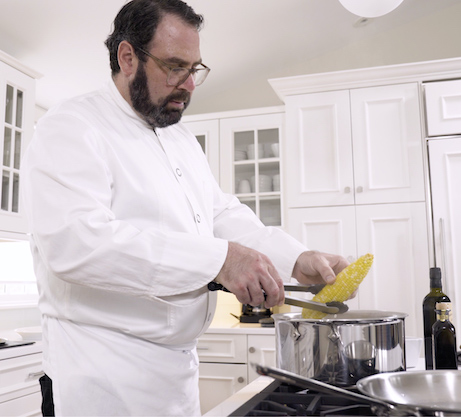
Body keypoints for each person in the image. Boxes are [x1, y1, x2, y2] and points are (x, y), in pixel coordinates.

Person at [21, 0, 349, 415]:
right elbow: (76, 244)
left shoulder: (180, 139)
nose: (189, 85)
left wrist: (296, 258)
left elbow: (219, 215)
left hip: (175, 374)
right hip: (100, 377)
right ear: (127, 57)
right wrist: (220, 259)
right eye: (175, 67)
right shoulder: (71, 126)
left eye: (194, 69)